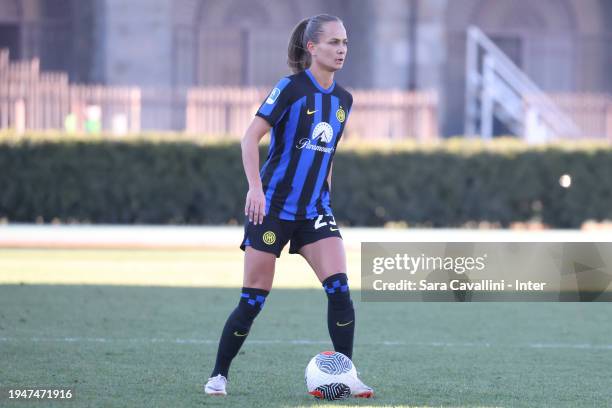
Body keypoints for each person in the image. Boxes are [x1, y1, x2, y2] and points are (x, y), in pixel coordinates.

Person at [204, 14, 373, 399]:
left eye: (345, 42)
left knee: (340, 290)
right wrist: (255, 190)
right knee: (253, 299)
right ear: (312, 48)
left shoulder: (345, 100)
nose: (341, 49)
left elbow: (327, 155)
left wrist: (326, 197)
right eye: (333, 42)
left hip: (314, 212)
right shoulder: (291, 88)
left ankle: (345, 377)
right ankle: (218, 376)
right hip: (273, 211)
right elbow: (250, 139)